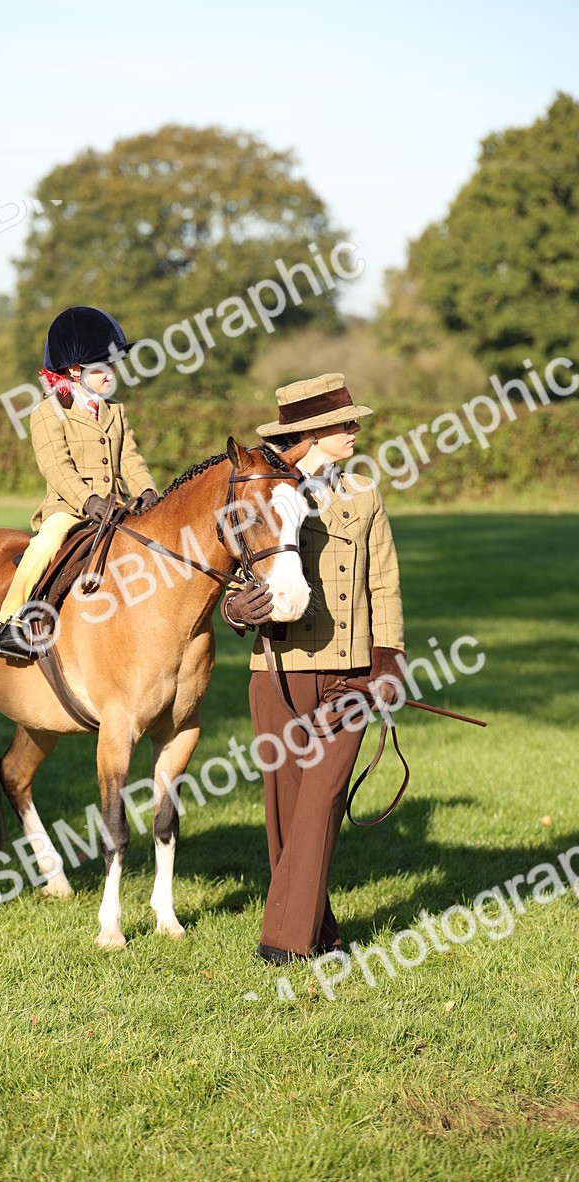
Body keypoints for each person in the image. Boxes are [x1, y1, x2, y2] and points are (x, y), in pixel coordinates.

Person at [221, 372, 406, 964]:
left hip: (352, 672)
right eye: (342, 423)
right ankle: (320, 933)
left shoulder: (366, 495)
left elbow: (384, 581)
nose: (354, 430)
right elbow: (229, 574)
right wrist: (234, 608)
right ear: (309, 433)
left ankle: (284, 941)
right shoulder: (263, 495)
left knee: (321, 800)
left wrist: (389, 662)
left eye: (354, 420)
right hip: (277, 667)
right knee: (285, 803)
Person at [0, 306, 158, 660]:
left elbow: (130, 459)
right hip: (70, 509)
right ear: (74, 371)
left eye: (113, 364)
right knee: (44, 544)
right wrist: (88, 501)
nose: (111, 372)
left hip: (115, 507)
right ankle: (10, 620)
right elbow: (58, 469)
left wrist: (145, 489)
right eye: (103, 365)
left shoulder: (115, 411)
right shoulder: (48, 413)